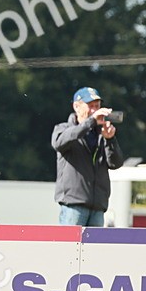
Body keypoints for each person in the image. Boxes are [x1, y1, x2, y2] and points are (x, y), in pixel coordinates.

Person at [51, 86, 124, 226]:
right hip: (74, 204)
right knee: (69, 246)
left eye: (97, 106)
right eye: (90, 106)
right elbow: (59, 143)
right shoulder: (63, 129)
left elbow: (115, 163)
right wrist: (90, 122)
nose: (94, 111)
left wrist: (110, 139)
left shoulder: (101, 133)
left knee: (94, 248)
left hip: (97, 207)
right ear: (76, 107)